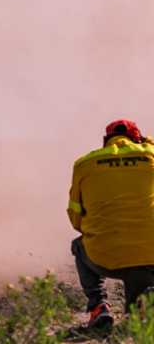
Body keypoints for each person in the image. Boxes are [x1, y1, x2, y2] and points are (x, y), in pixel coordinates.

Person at [68, 119, 154, 332]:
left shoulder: (84, 164)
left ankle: (98, 306)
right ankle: (144, 302)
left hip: (105, 257)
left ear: (106, 141)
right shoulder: (151, 155)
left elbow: (75, 219)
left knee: (79, 245)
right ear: (138, 138)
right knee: (138, 316)